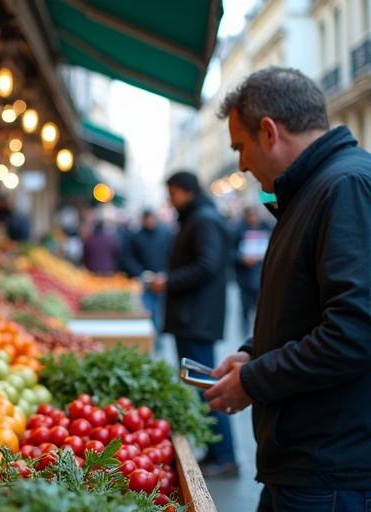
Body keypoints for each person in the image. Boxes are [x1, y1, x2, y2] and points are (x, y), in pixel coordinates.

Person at [207, 66, 371, 511]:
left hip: (331, 470)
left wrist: (254, 381)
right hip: (306, 463)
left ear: (269, 132)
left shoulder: (345, 186)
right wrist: (253, 352)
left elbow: (354, 332)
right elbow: (306, 308)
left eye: (240, 147)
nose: (241, 165)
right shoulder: (311, 190)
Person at [148, 171, 236, 476]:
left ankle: (224, 455)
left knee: (205, 386)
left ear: (185, 191)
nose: (170, 200)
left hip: (196, 318)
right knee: (199, 385)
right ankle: (217, 452)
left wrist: (168, 281)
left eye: (172, 193)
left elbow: (207, 265)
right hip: (192, 317)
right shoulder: (198, 217)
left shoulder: (203, 219)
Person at [120, 209, 174, 332]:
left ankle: (159, 334)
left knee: (162, 310)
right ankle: (151, 334)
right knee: (147, 310)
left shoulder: (165, 235)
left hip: (162, 279)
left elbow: (171, 255)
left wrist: (166, 273)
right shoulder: (135, 237)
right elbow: (128, 258)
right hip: (144, 281)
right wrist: (142, 273)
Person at [232, 206, 273, 335]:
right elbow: (230, 251)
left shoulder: (266, 227)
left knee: (261, 306)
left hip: (261, 275)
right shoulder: (238, 230)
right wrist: (242, 258)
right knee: (245, 305)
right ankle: (245, 328)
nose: (253, 219)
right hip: (244, 276)